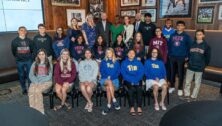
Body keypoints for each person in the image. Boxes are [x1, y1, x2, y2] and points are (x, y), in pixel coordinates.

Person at [184, 29, 211, 101]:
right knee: (187, 82)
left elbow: (208, 58)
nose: (198, 36)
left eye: (200, 34)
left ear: (203, 35)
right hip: (190, 66)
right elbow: (188, 55)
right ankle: (186, 95)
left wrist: (203, 66)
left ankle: (193, 97)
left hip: (199, 68)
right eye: (197, 34)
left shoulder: (206, 46)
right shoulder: (192, 44)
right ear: (195, 35)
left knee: (197, 84)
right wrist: (187, 62)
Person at [168, 21, 191, 96]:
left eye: (181, 25)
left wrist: (187, 56)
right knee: (172, 73)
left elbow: (189, 47)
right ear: (176, 26)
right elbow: (169, 45)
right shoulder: (172, 35)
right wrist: (169, 54)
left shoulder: (186, 36)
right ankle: (172, 86)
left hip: (181, 57)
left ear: (184, 27)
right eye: (178, 25)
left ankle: (180, 88)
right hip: (172, 57)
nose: (179, 27)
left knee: (180, 73)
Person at [28, 49, 53, 114]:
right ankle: (32, 108)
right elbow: (31, 75)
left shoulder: (49, 63)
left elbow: (49, 76)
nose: (41, 56)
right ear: (37, 55)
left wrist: (40, 82)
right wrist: (36, 82)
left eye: (43, 54)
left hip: (47, 82)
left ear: (45, 55)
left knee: (37, 91)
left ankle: (40, 110)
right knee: (31, 90)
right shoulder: (34, 63)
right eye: (40, 54)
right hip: (36, 81)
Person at [121, 49, 144, 116]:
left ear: (135, 55)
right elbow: (124, 74)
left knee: (139, 89)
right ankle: (132, 107)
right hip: (128, 80)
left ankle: (139, 107)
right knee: (131, 90)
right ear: (127, 54)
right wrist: (132, 81)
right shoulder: (124, 63)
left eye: (133, 53)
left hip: (137, 79)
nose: (131, 54)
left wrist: (136, 80)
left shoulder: (138, 62)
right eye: (130, 53)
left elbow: (141, 72)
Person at [11, 26, 33, 95]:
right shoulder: (14, 41)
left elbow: (32, 50)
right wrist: (18, 57)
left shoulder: (29, 41)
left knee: (30, 75)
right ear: (18, 31)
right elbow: (14, 51)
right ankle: (24, 89)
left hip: (28, 60)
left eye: (24, 30)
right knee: (21, 75)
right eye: (21, 30)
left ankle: (30, 88)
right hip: (19, 61)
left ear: (26, 32)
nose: (23, 32)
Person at [100, 48, 121, 115]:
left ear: (112, 53)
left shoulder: (116, 62)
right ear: (106, 54)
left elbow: (118, 72)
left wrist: (111, 77)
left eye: (110, 52)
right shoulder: (103, 62)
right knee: (108, 82)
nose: (108, 54)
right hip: (104, 79)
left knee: (108, 88)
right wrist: (108, 77)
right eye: (107, 52)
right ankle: (114, 99)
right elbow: (102, 71)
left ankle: (108, 105)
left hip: (114, 80)